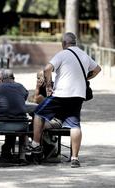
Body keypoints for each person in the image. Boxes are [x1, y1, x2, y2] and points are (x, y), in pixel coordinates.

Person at [28, 32, 101, 168]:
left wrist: (49, 85)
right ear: (75, 42)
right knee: (75, 124)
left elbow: (47, 68)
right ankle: (74, 158)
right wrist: (85, 78)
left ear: (64, 43)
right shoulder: (84, 55)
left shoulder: (62, 54)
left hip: (61, 94)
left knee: (39, 112)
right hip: (78, 95)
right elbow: (97, 69)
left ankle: (36, 144)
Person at [0, 69, 29, 166]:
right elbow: (24, 98)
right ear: (13, 78)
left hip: (2, 123)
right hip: (21, 124)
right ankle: (22, 158)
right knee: (24, 133)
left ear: (2, 79)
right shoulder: (21, 87)